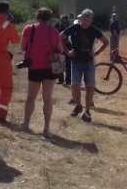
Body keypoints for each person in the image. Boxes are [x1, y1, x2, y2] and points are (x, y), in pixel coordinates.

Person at [19, 8, 66, 137]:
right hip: (50, 68)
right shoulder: (54, 31)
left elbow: (22, 47)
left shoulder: (29, 29)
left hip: (34, 67)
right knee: (47, 99)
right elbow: (60, 49)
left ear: (37, 16)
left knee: (31, 98)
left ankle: (26, 124)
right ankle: (46, 128)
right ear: (50, 18)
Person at [60, 8, 108, 123]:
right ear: (80, 19)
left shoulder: (93, 30)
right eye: (83, 20)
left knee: (90, 87)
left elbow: (106, 42)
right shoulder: (74, 28)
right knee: (75, 85)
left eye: (87, 20)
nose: (85, 23)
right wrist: (67, 51)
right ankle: (78, 105)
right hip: (76, 61)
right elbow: (60, 37)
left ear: (91, 20)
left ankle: (87, 111)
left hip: (89, 62)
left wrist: (96, 53)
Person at [55, 15, 72, 85]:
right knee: (59, 63)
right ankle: (60, 79)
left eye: (66, 21)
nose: (65, 22)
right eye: (63, 20)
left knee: (68, 63)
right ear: (61, 20)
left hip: (68, 46)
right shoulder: (56, 26)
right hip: (59, 45)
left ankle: (68, 80)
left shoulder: (71, 26)